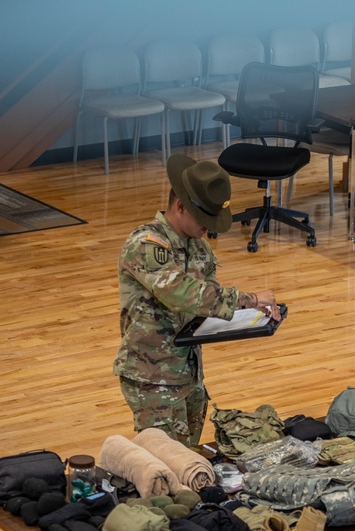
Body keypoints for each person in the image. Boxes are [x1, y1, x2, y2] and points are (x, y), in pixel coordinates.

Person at [114, 154, 281, 448]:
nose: (209, 227)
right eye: (204, 219)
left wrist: (250, 322)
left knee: (188, 455)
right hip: (153, 378)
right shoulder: (145, 245)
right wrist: (249, 299)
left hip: (189, 374)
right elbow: (181, 293)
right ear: (180, 206)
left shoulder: (199, 247)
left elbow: (207, 302)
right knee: (164, 460)